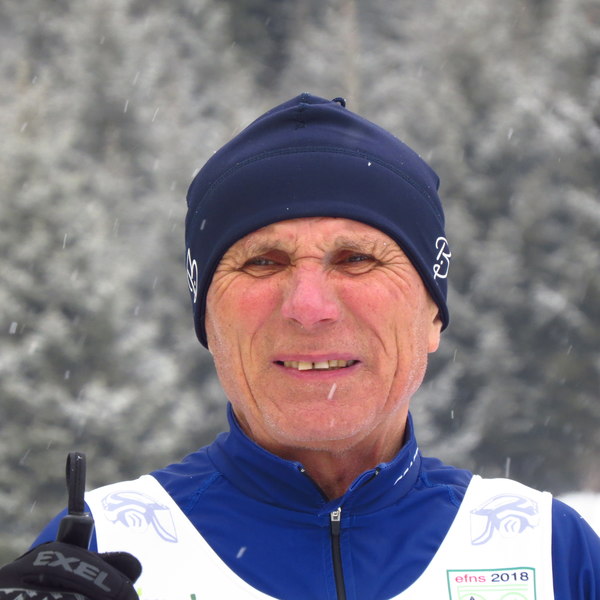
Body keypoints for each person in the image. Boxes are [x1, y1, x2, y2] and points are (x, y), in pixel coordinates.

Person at [3, 93, 599, 600]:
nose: (309, 307)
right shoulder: (99, 552)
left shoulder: (549, 551)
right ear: (209, 321)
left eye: (356, 258)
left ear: (432, 316)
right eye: (262, 262)